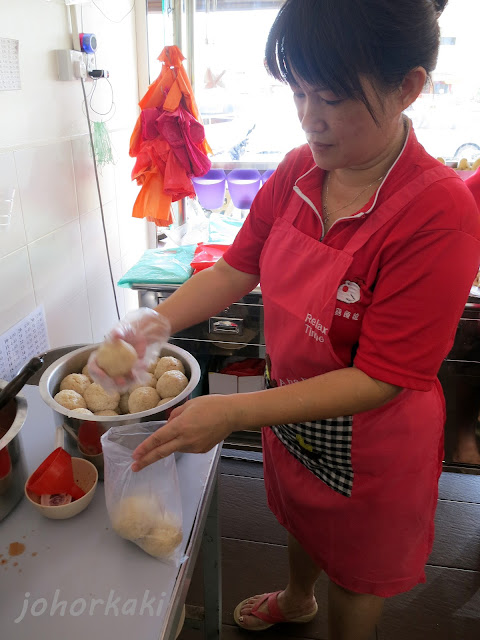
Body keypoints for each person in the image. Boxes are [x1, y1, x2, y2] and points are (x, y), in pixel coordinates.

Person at [93, 1, 480, 638]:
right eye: (298, 92)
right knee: (300, 521)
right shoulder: (301, 170)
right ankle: (299, 599)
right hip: (292, 412)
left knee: (357, 577)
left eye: (329, 98)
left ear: (407, 86)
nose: (310, 119)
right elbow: (233, 270)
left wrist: (232, 412)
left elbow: (385, 376)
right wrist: (149, 327)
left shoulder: (438, 214)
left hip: (373, 442)